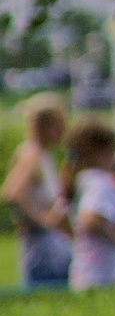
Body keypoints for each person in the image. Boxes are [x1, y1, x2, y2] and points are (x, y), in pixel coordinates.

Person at [7, 99, 73, 288]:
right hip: (43, 247)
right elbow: (14, 193)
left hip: (48, 243)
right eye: (59, 125)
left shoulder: (42, 154)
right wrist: (45, 220)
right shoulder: (32, 155)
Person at [67, 116, 115, 290]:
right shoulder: (98, 181)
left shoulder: (82, 179)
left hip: (89, 274)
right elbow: (90, 218)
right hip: (102, 277)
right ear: (102, 152)